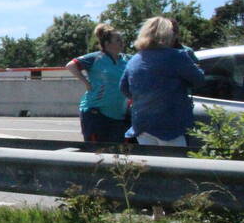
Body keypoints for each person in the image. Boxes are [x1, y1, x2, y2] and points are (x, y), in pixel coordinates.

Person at [119, 16, 205, 147]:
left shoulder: (134, 59)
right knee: (175, 160)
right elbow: (199, 80)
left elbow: (123, 87)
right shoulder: (177, 56)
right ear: (167, 34)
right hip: (171, 125)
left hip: (142, 124)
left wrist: (144, 98)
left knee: (150, 159)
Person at [66, 23, 130, 143]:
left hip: (118, 114)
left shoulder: (126, 59)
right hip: (96, 113)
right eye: (117, 40)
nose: (122, 42)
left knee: (118, 151)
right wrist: (86, 82)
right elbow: (71, 65)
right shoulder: (96, 58)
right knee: (97, 151)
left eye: (121, 39)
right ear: (107, 43)